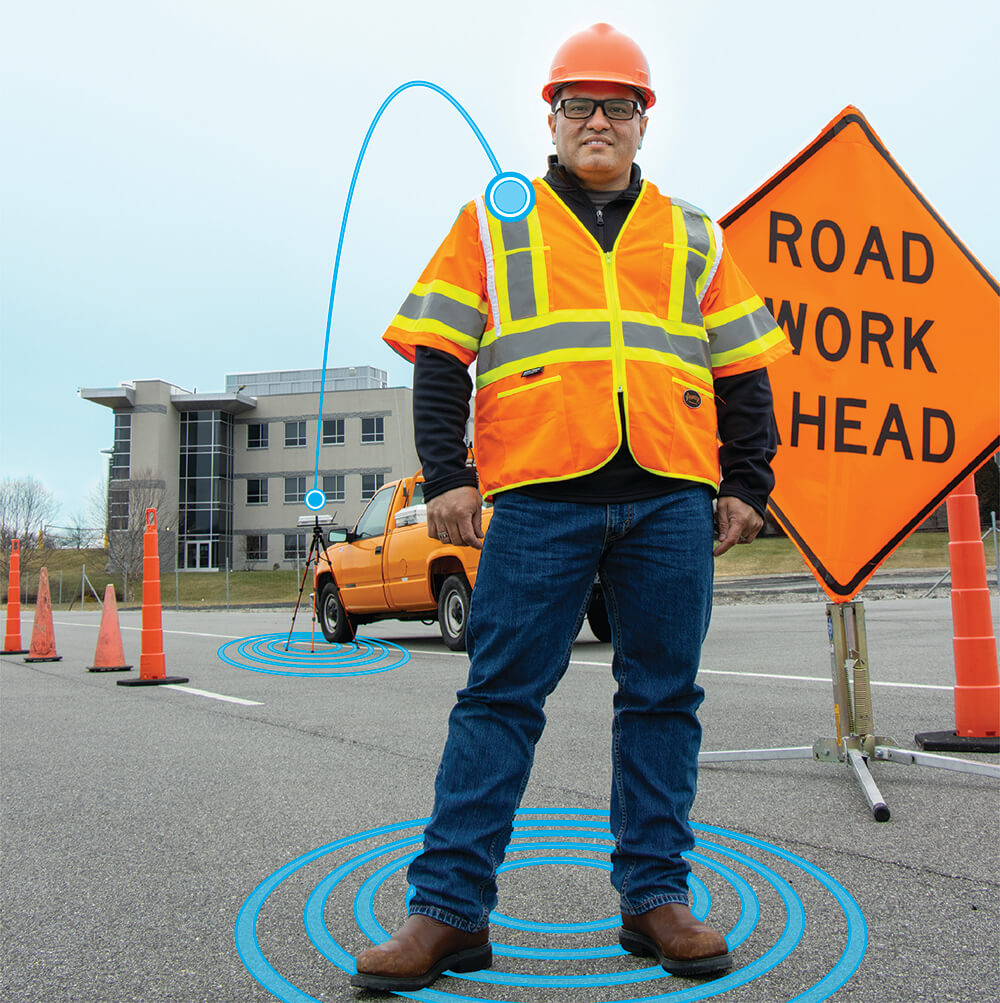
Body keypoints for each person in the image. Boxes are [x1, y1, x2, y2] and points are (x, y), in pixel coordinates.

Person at [351, 22, 790, 993]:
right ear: (550, 119)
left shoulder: (692, 233)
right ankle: (447, 913)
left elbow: (742, 367)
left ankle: (653, 899)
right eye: (579, 104)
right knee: (499, 700)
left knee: (662, 699)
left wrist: (747, 483)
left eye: (618, 105)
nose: (598, 120)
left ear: (643, 122)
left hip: (669, 501)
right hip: (542, 500)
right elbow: (437, 353)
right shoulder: (495, 221)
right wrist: (448, 474)